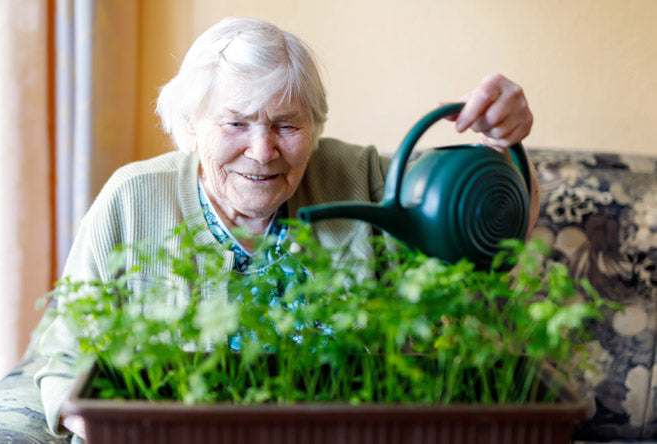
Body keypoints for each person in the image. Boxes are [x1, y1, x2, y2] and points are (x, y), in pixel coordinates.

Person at [34, 16, 539, 441]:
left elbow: (491, 227)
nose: (262, 151)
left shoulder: (360, 178)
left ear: (314, 128)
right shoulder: (131, 199)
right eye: (235, 124)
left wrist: (502, 143)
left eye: (286, 125)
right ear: (190, 127)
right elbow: (62, 358)